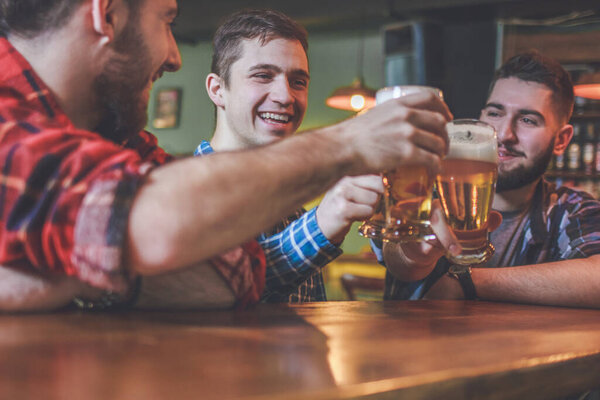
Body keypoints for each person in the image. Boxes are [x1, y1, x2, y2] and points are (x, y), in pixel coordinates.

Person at [0, 0, 452, 312]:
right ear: (108, 15)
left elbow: (236, 268)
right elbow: (152, 226)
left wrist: (79, 279)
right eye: (167, 19)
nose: (175, 55)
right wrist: (345, 144)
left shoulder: (114, 139)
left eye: (298, 81)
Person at [378, 51, 600, 309]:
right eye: (495, 113)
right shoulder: (423, 188)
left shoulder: (569, 209)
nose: (505, 135)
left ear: (561, 140)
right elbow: (397, 256)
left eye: (528, 120)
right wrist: (411, 253)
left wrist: (468, 284)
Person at [195, 9, 384, 303]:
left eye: (298, 81)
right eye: (262, 76)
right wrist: (324, 220)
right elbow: (220, 290)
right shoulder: (186, 189)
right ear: (218, 90)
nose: (285, 96)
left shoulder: (287, 201)